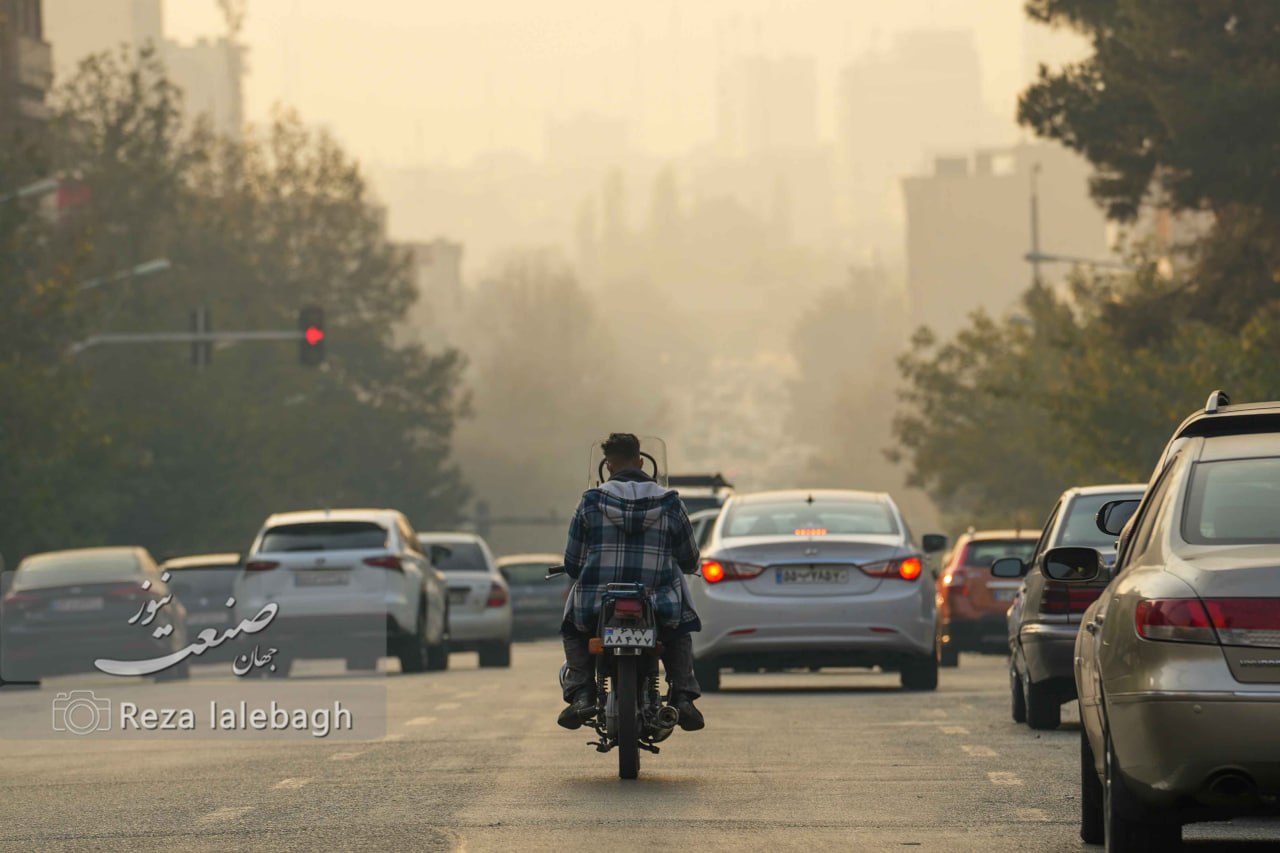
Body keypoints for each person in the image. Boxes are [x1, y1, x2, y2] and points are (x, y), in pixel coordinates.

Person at [557, 433, 705, 732]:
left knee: (573, 628)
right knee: (680, 628)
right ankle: (683, 696)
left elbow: (573, 562)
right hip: (658, 600)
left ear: (608, 466)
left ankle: (582, 693)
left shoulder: (590, 502)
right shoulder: (671, 503)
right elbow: (689, 559)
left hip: (598, 602)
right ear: (641, 461)